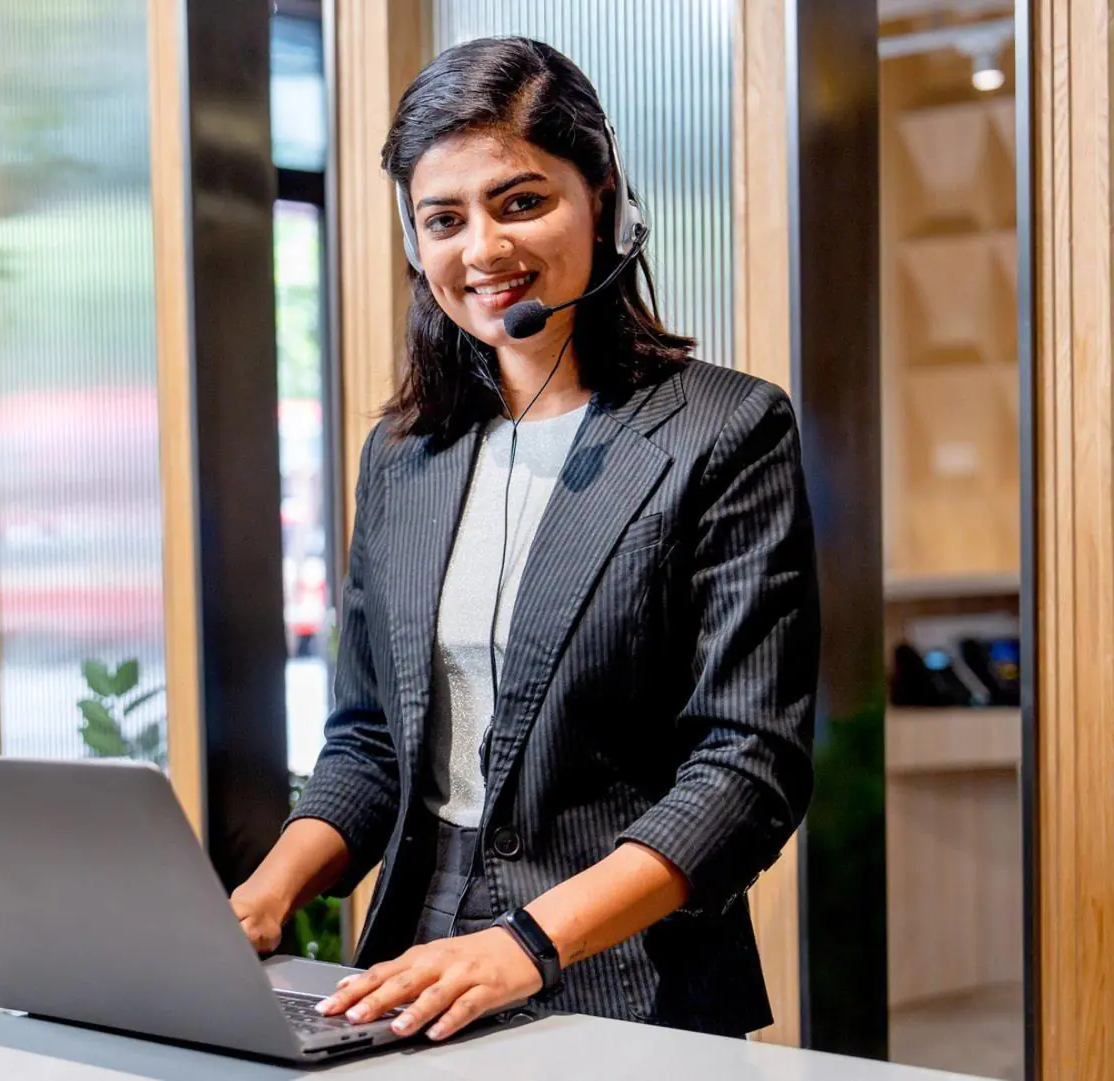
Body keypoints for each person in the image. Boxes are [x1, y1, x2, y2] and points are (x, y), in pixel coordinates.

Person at [230, 36, 820, 1042]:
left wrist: (524, 943)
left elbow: (745, 766)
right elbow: (372, 738)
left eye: (520, 202)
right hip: (413, 963)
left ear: (603, 201)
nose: (482, 251)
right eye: (443, 219)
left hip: (626, 973)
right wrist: (259, 896)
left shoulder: (726, 429)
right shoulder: (403, 455)